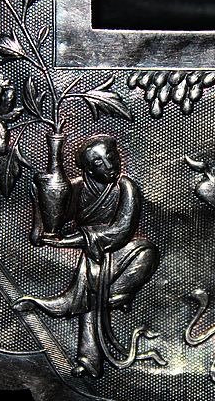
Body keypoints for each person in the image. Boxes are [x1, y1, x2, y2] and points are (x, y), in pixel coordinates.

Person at [13, 135, 159, 379]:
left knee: (146, 252)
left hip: (119, 251)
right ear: (88, 169)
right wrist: (41, 201)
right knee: (92, 280)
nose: (109, 166)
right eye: (99, 163)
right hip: (93, 258)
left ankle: (98, 299)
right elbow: (54, 225)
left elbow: (121, 230)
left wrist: (75, 240)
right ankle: (88, 359)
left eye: (111, 157)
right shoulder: (77, 189)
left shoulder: (126, 187)